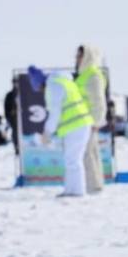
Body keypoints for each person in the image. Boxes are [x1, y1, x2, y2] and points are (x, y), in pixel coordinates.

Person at [37, 52, 100, 198]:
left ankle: (77, 191)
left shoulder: (54, 86)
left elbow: (55, 112)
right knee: (71, 159)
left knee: (73, 160)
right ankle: (71, 190)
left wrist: (47, 132)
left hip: (77, 125)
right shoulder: (63, 82)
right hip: (79, 125)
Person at [76, 46, 108, 194]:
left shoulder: (93, 75)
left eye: (80, 56)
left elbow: (99, 101)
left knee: (88, 153)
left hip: (89, 121)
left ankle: (93, 185)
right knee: (88, 152)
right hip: (82, 120)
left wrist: (96, 121)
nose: (77, 59)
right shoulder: (84, 75)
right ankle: (93, 184)